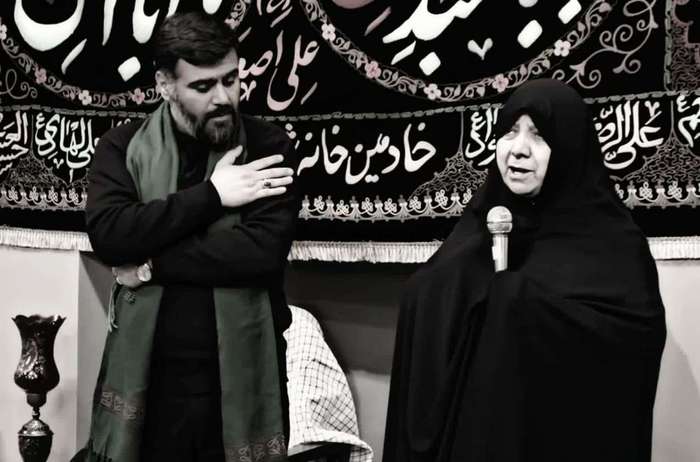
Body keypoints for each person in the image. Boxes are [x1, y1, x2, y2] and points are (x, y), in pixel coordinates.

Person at [382, 79, 666, 462]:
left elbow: (631, 344)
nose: (518, 149)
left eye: (538, 135)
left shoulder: (613, 245)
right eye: (510, 131)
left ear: (568, 148)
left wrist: (519, 305)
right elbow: (433, 295)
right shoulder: (483, 227)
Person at [77, 11, 299, 462]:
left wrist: (151, 263)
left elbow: (259, 253)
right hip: (150, 384)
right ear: (165, 85)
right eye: (203, 86)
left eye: (231, 79)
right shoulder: (123, 148)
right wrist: (213, 196)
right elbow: (112, 235)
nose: (223, 98)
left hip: (240, 382)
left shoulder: (269, 149)